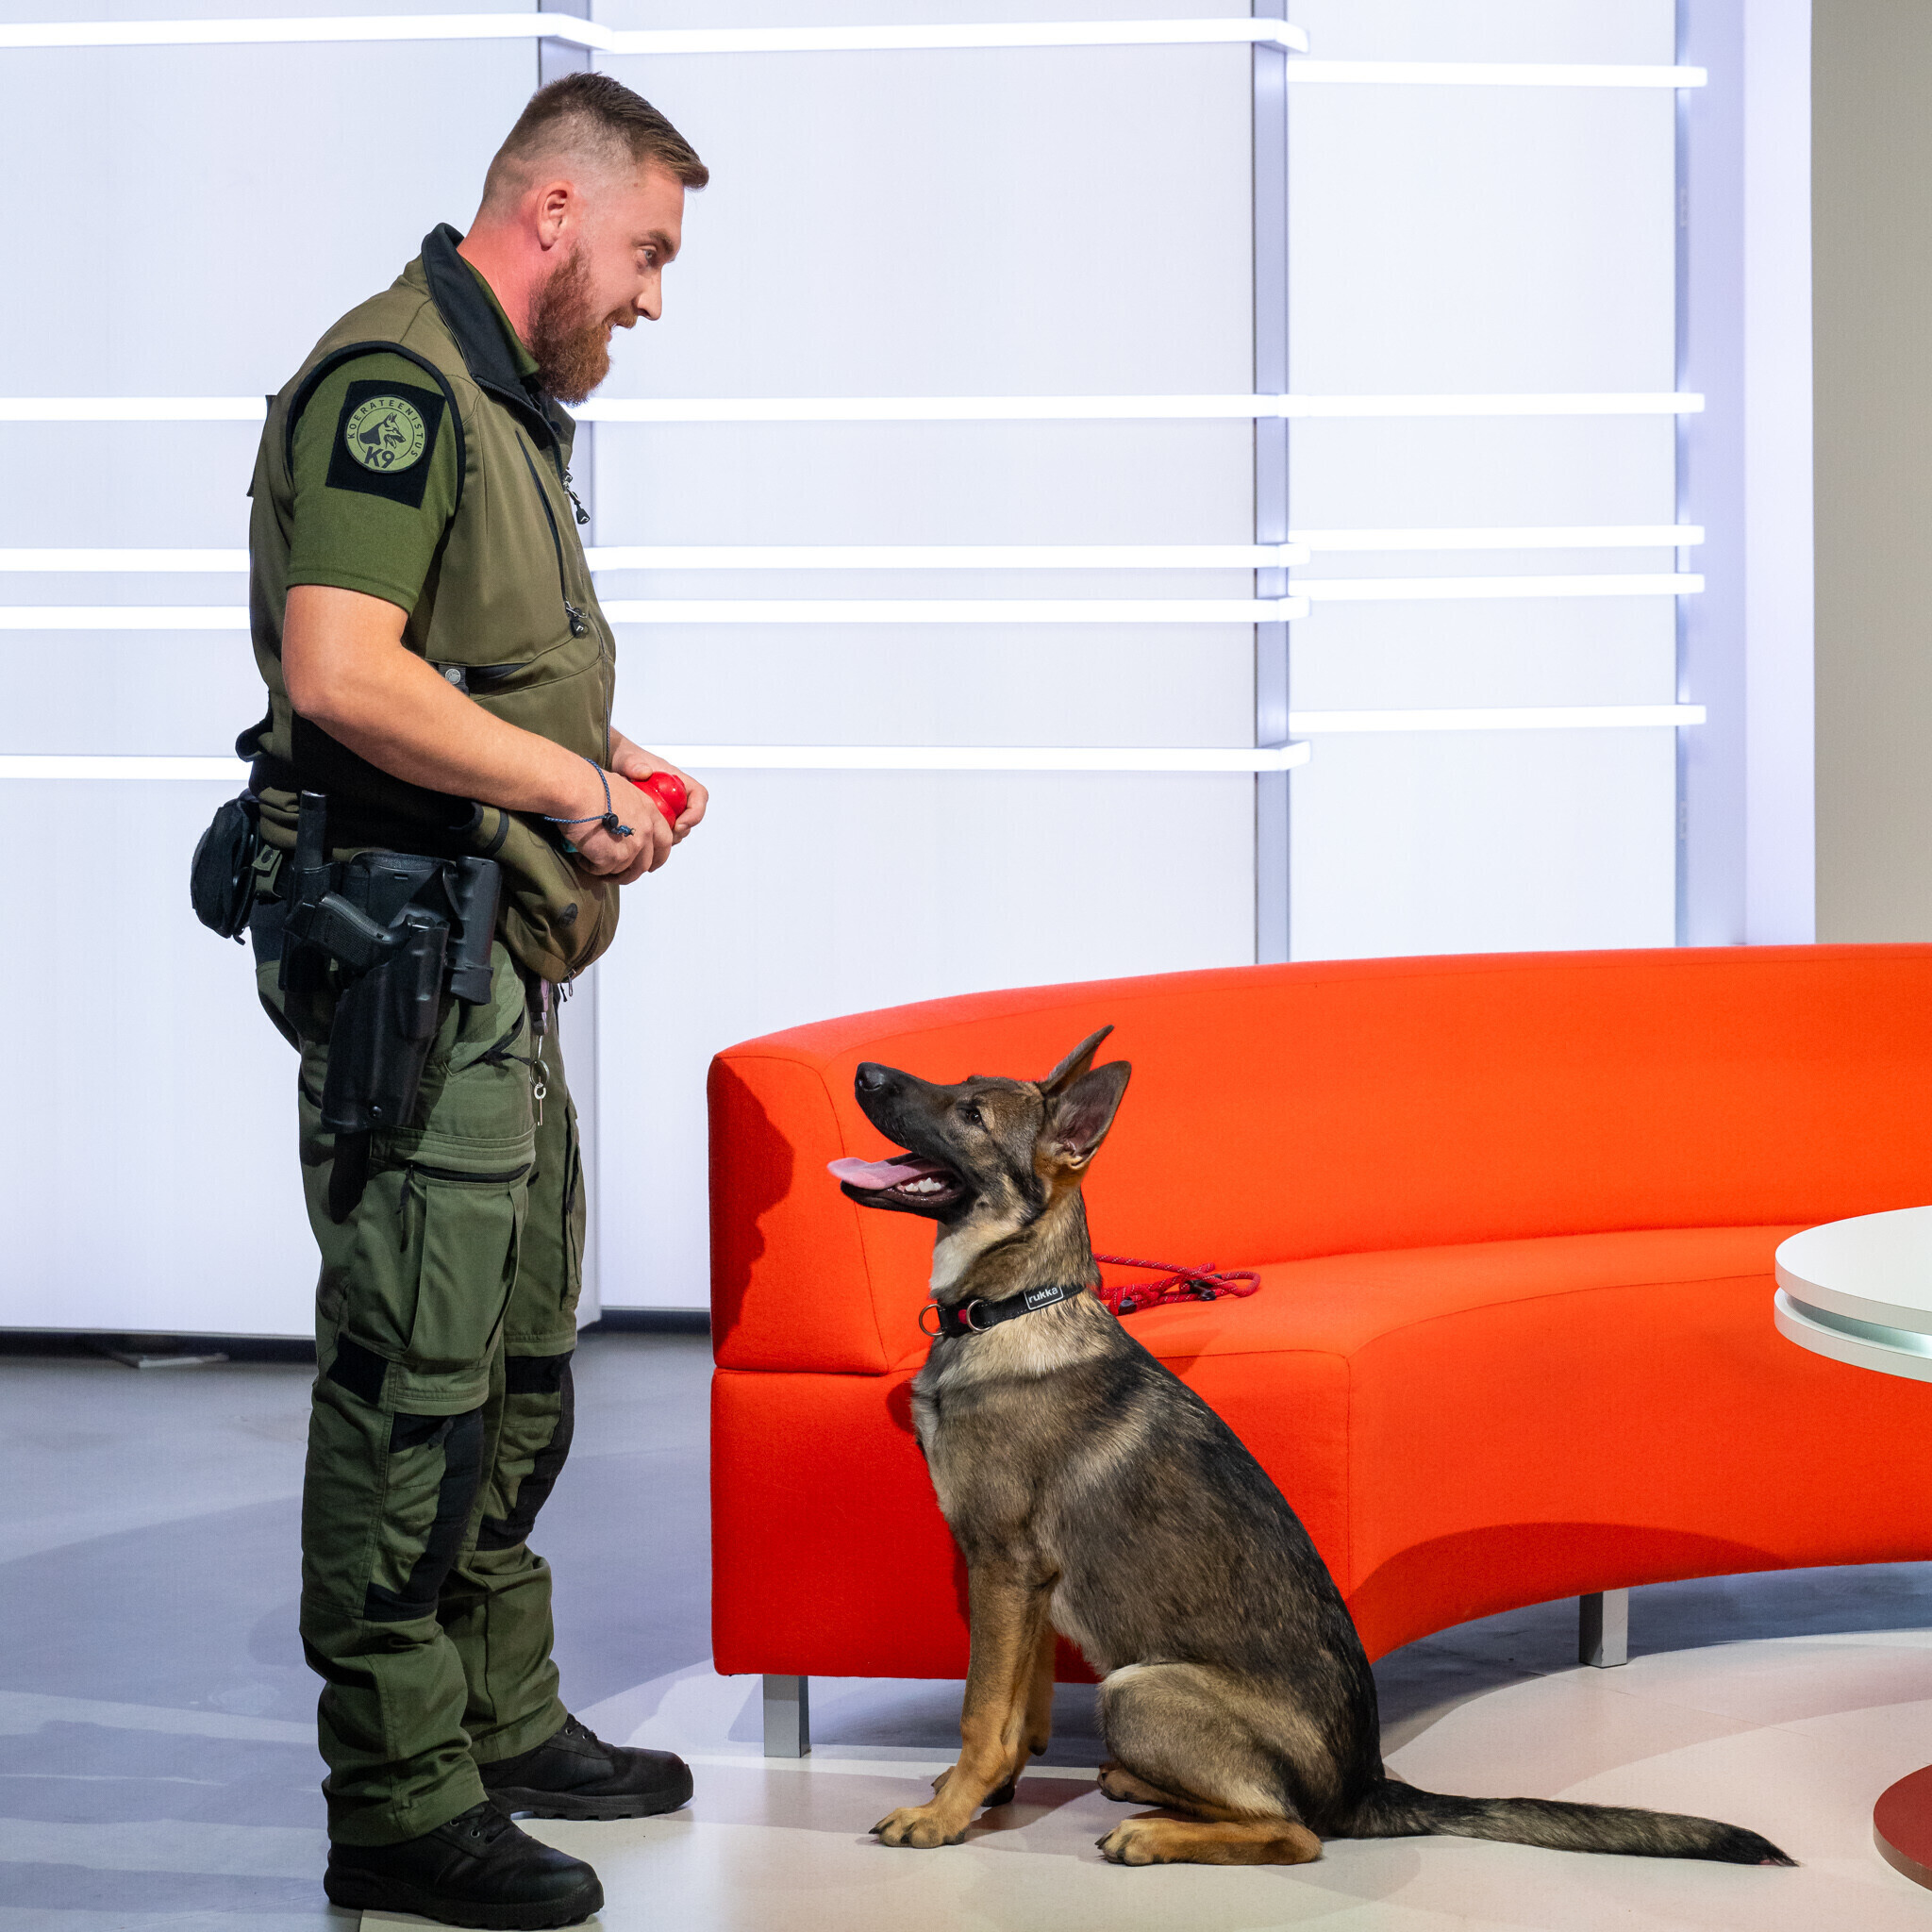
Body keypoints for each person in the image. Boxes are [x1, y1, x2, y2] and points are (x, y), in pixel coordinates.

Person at [231, 74, 709, 1929]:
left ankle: (498, 1719)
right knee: (412, 1388)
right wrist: (571, 787)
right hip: (410, 956)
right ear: (555, 213)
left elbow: (471, 665)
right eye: (648, 251)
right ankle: (399, 1799)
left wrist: (608, 752)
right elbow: (343, 672)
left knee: (513, 1365)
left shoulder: (500, 400)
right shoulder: (397, 387)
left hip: (493, 950)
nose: (652, 297)